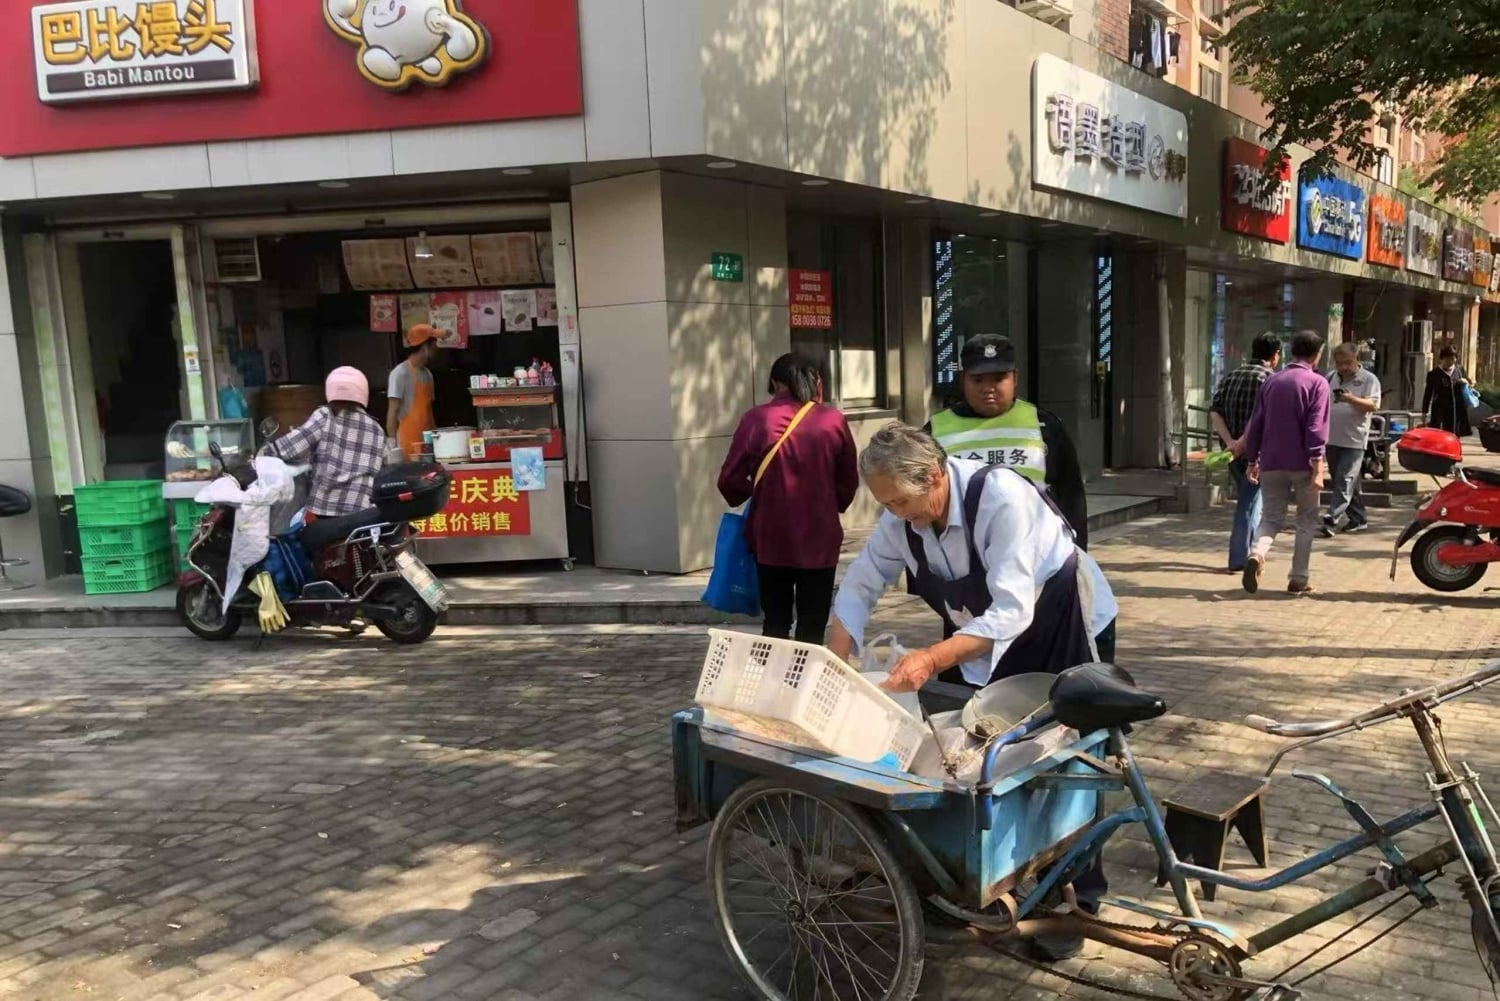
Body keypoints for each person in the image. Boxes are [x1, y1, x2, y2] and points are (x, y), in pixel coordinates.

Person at [825, 423, 1116, 961]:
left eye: (902, 502)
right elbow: (861, 584)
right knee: (987, 750)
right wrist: (834, 660)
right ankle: (991, 877)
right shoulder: (903, 518)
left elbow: (1012, 609)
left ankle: (1076, 903)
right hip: (980, 636)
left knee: (1070, 755)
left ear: (935, 477)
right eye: (886, 505)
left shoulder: (999, 498)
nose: (896, 514)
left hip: (1059, 621)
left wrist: (932, 658)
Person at [717, 354, 858, 644]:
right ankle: (805, 671)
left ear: (775, 382)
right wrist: (831, 505)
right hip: (820, 538)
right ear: (815, 381)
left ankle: (774, 671)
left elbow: (729, 481)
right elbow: (847, 482)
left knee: (775, 623)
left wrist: (760, 493)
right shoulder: (832, 420)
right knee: (813, 624)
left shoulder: (756, 419)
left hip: (771, 538)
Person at [925, 334, 1089, 547]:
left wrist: (1078, 555)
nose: (988, 388)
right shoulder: (935, 432)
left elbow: (1071, 497)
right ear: (963, 379)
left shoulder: (1045, 425)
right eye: (978, 379)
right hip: (961, 555)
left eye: (998, 378)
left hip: (1035, 553)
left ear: (1015, 378)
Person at [1237, 330, 1330, 596]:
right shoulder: (1317, 383)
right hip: (1303, 463)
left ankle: (1257, 553)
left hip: (1271, 461)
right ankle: (1298, 578)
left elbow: (1256, 423)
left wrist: (1252, 459)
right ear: (1317, 354)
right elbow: (1316, 428)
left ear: (1292, 351)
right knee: (1306, 521)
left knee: (1270, 518)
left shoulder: (1271, 381)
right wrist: (1318, 466)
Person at [266, 367, 385, 520]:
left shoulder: (326, 416)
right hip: (362, 509)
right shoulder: (376, 428)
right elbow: (382, 466)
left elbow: (290, 447)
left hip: (325, 509)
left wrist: (268, 452)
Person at [1209, 332, 1281, 573]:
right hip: (1256, 452)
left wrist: (1230, 441)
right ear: (1275, 355)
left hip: (1230, 452)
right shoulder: (1270, 380)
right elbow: (1265, 419)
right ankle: (1240, 558)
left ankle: (1250, 552)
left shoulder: (1231, 376)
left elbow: (1215, 411)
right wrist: (1242, 443)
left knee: (1249, 499)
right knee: (1249, 503)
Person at [1322, 342, 1382, 537]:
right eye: (1339, 363)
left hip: (1354, 439)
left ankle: (1332, 518)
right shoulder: (1330, 377)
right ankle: (1358, 518)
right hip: (1332, 438)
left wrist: (1351, 399)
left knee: (1345, 479)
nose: (1343, 367)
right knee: (1345, 481)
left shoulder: (1369, 379)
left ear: (1357, 359)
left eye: (1347, 363)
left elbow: (1373, 405)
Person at [387, 324, 439, 461]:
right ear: (425, 347)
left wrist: (436, 438)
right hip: (407, 443)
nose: (437, 347)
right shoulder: (399, 373)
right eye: (434, 344)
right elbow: (393, 410)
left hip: (426, 444)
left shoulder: (428, 374)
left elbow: (429, 411)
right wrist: (392, 444)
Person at [1423, 345, 1473, 437]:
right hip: (1441, 410)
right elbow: (1428, 394)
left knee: (1456, 433)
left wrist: (1465, 382)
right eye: (1448, 359)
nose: (1450, 362)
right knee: (1440, 434)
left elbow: (1470, 383)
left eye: (1453, 359)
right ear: (1442, 359)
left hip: (1458, 409)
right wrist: (1424, 412)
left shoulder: (1459, 370)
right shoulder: (1434, 374)